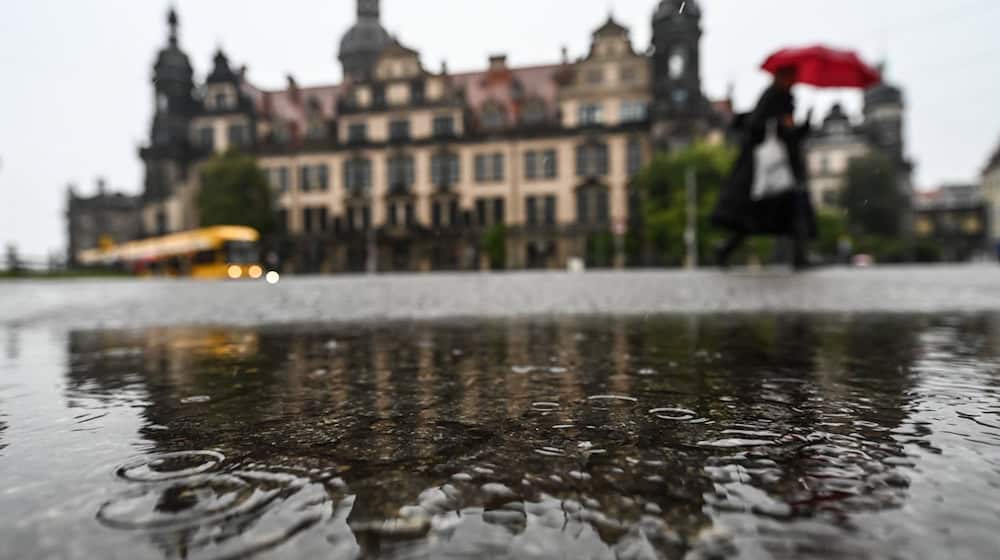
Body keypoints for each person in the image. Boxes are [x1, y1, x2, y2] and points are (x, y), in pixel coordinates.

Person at [711, 65, 817, 270]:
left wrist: (803, 125)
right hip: (769, 167)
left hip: (773, 166)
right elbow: (759, 127)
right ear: (781, 76)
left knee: (774, 213)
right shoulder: (775, 98)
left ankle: (799, 256)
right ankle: (798, 257)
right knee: (774, 211)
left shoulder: (781, 97)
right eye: (790, 75)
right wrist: (787, 125)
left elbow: (786, 133)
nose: (794, 79)